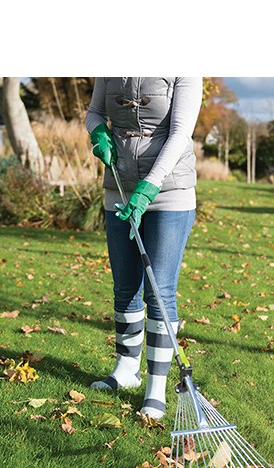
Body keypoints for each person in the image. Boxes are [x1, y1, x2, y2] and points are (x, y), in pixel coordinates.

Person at [85, 77, 203, 419]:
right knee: (125, 287)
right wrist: (97, 132)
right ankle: (126, 369)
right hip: (119, 187)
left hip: (169, 192)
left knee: (159, 290)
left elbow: (180, 133)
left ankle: (156, 389)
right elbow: (94, 112)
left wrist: (150, 185)